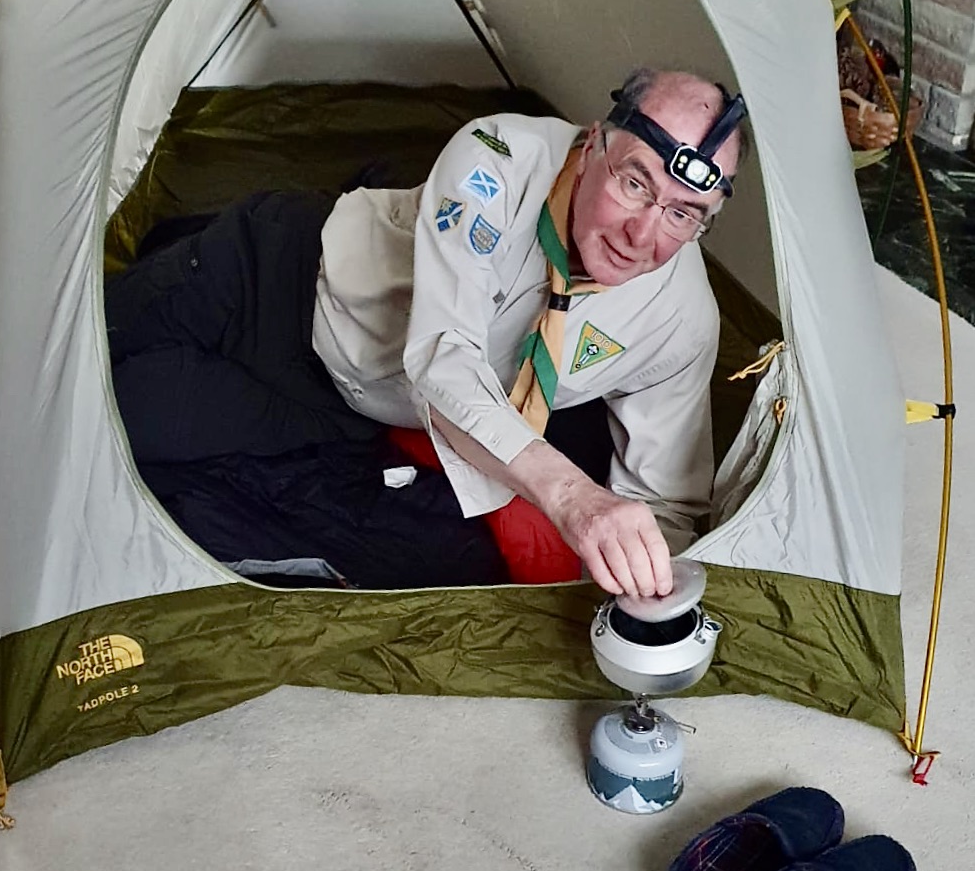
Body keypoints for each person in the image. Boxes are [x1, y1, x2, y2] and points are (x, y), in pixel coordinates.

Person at [105, 68, 745, 595]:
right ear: (594, 142)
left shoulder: (682, 319)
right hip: (271, 282)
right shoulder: (496, 154)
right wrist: (572, 496)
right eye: (635, 183)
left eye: (684, 214)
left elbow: (668, 506)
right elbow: (444, 359)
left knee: (121, 436)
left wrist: (647, 600)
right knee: (71, 365)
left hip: (339, 407)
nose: (644, 235)